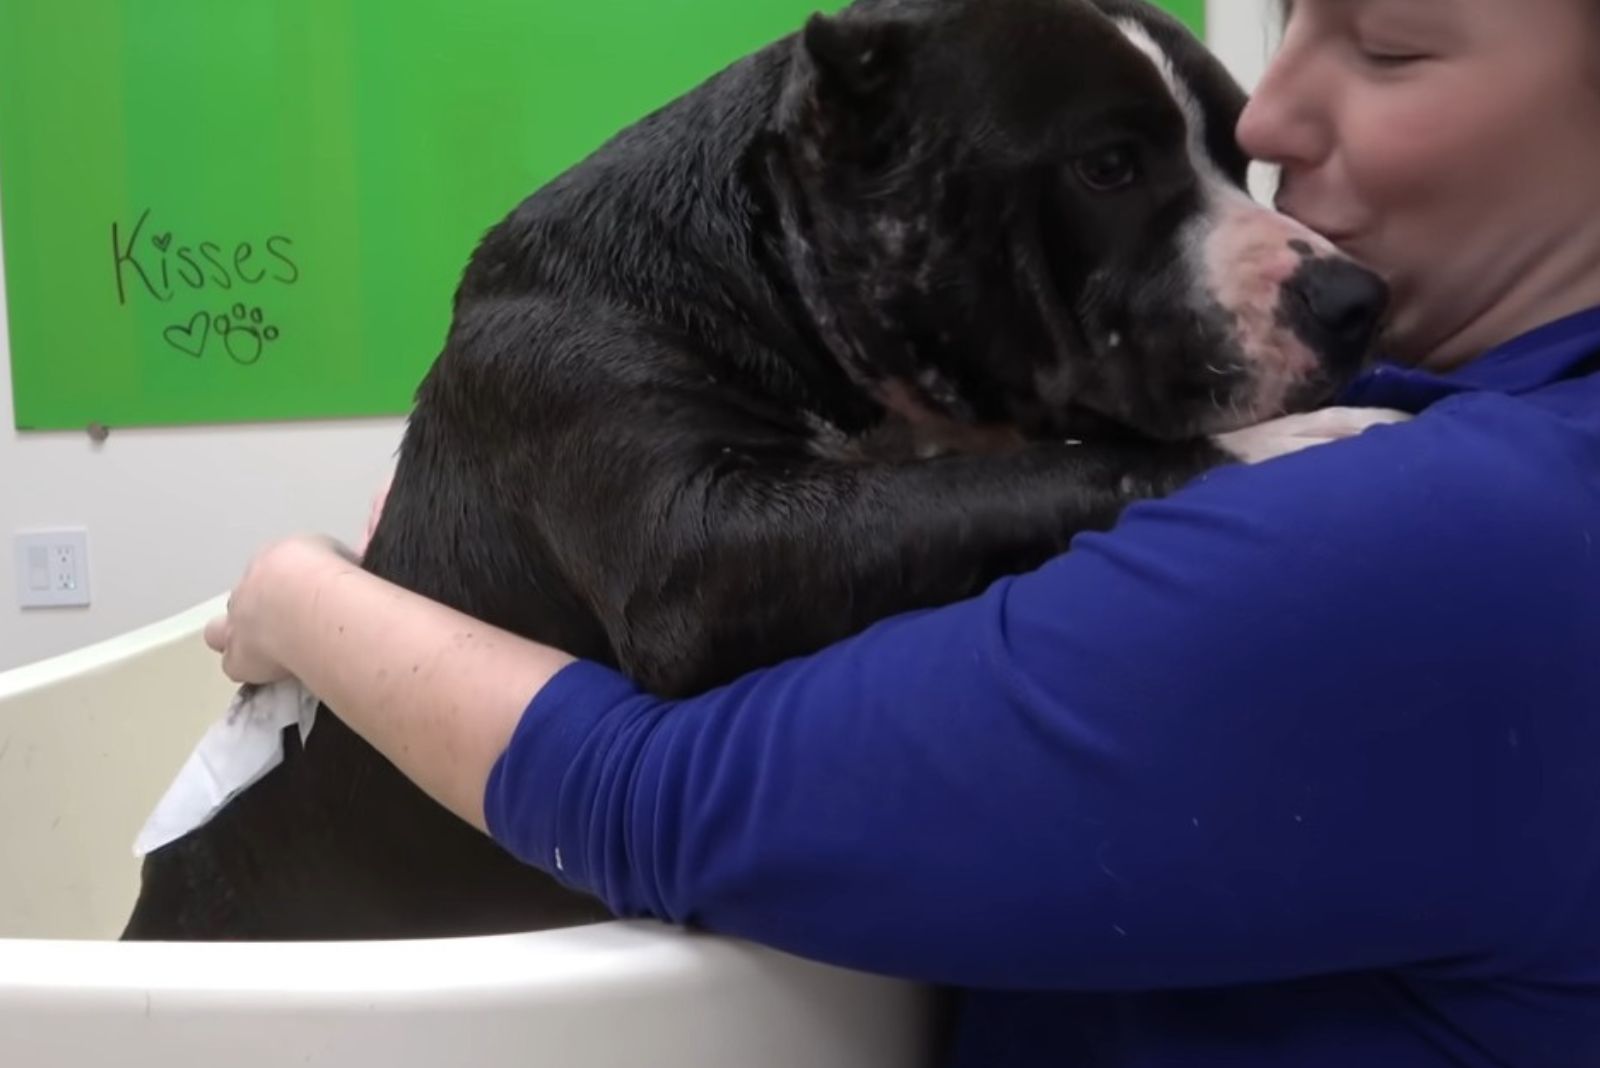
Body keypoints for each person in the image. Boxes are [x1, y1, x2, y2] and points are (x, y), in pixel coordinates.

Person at [202, 0, 1600, 1063]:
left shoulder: (1457, 530)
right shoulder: (1468, 434)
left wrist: (303, 595)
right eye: (1291, 15)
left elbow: (655, 791)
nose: (1270, 119)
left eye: (1395, 45)